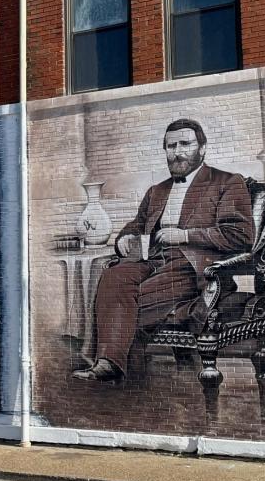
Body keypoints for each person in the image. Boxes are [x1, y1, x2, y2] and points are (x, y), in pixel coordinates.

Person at [72, 119, 254, 384]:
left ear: (202, 148)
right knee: (114, 277)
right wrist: (125, 238)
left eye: (185, 144)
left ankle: (113, 363)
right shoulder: (157, 191)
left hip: (193, 266)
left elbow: (241, 235)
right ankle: (110, 365)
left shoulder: (226, 182)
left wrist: (185, 235)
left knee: (128, 300)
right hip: (154, 260)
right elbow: (136, 225)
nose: (177, 152)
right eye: (171, 146)